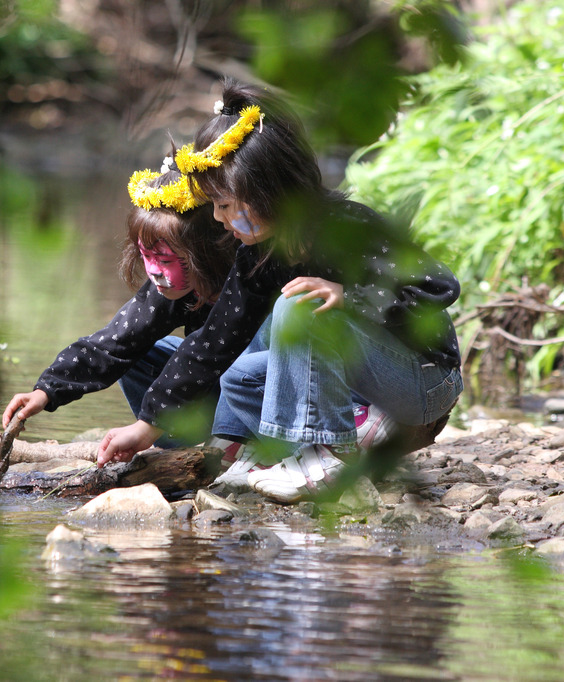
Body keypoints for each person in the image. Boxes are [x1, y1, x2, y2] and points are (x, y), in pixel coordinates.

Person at [97, 79, 462, 504]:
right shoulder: (259, 255)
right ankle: (282, 450)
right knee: (239, 376)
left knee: (297, 305)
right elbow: (214, 342)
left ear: (268, 192)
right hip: (360, 381)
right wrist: (146, 427)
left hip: (423, 378)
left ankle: (326, 458)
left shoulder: (348, 227)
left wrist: (350, 296)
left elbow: (439, 284)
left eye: (226, 204)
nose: (217, 218)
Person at [1, 157, 236, 443]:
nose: (153, 271)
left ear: (203, 253)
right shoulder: (171, 290)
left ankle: (234, 442)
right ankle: (171, 446)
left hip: (251, 392)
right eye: (146, 257)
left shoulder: (243, 285)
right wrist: (46, 391)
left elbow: (208, 358)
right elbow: (112, 343)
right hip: (209, 385)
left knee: (238, 370)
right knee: (139, 354)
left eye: (164, 259)